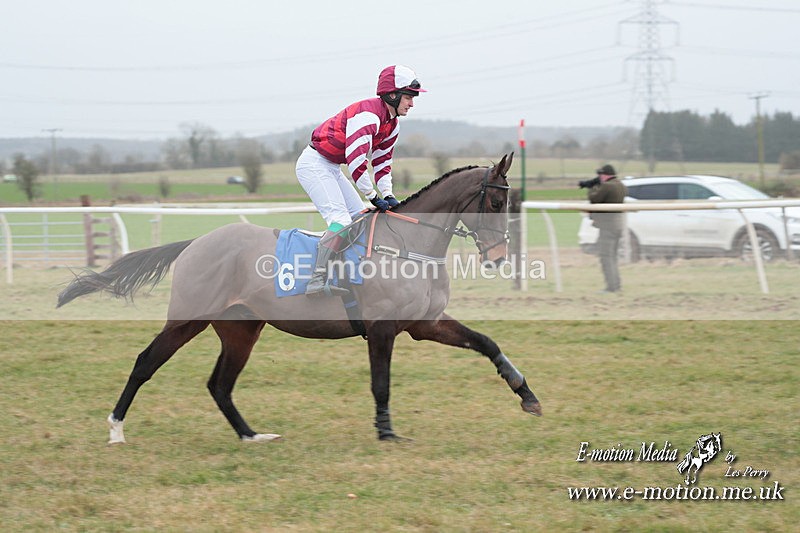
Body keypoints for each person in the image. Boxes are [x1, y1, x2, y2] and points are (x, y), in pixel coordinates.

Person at [296, 65, 425, 297]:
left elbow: (383, 163)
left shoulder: (392, 124)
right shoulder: (368, 116)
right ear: (392, 95)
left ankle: (346, 273)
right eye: (408, 97)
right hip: (314, 164)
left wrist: (388, 194)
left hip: (332, 167)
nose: (412, 103)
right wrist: (374, 196)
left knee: (360, 218)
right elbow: (356, 161)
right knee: (341, 221)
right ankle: (316, 280)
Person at [583, 164, 627, 293]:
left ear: (605, 175)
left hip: (608, 226)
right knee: (612, 256)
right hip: (618, 225)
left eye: (600, 175)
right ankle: (616, 285)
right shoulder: (621, 185)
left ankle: (611, 287)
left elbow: (594, 198)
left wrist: (592, 187)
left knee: (606, 257)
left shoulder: (608, 186)